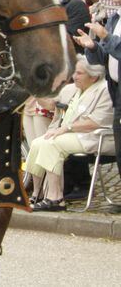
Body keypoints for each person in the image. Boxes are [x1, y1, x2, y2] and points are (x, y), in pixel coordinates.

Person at [24, 59, 114, 211]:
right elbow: (50, 105)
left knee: (52, 143)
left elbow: (96, 122)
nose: (74, 76)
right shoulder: (71, 89)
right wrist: (33, 92)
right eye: (74, 72)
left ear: (93, 77)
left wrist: (66, 128)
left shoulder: (105, 90)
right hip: (74, 135)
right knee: (37, 143)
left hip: (97, 137)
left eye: (79, 73)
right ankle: (37, 193)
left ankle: (56, 198)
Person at [75, 0, 121, 185]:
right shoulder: (114, 19)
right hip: (116, 91)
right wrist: (92, 45)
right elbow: (102, 58)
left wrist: (106, 38)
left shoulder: (110, 27)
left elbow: (115, 46)